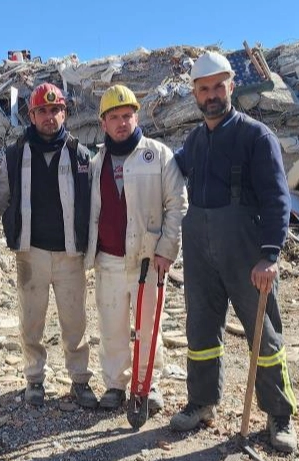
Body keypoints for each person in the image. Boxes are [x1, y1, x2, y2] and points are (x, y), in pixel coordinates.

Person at [170, 52, 298, 453]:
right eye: (203, 88)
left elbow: (278, 199)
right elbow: (169, 172)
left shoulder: (256, 136)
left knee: (264, 335)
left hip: (246, 254)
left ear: (231, 86)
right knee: (201, 329)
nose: (211, 95)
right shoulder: (194, 141)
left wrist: (270, 255)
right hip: (200, 252)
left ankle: (279, 414)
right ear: (195, 93)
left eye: (218, 87)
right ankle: (202, 402)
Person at [85, 85, 187, 411]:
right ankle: (115, 384)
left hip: (148, 260)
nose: (122, 123)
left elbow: (177, 204)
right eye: (114, 117)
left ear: (136, 117)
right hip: (109, 260)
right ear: (103, 123)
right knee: (111, 328)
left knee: (148, 327)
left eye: (127, 115)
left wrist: (167, 249)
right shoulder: (96, 162)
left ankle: (147, 384)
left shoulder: (158, 155)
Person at [0, 83, 94, 408]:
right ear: (31, 115)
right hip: (30, 252)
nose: (49, 117)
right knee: (31, 321)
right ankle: (34, 378)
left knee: (75, 321)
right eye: (42, 111)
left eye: (55, 110)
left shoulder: (80, 154)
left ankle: (80, 379)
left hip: (69, 254)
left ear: (64, 113)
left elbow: (95, 203)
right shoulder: (14, 155)